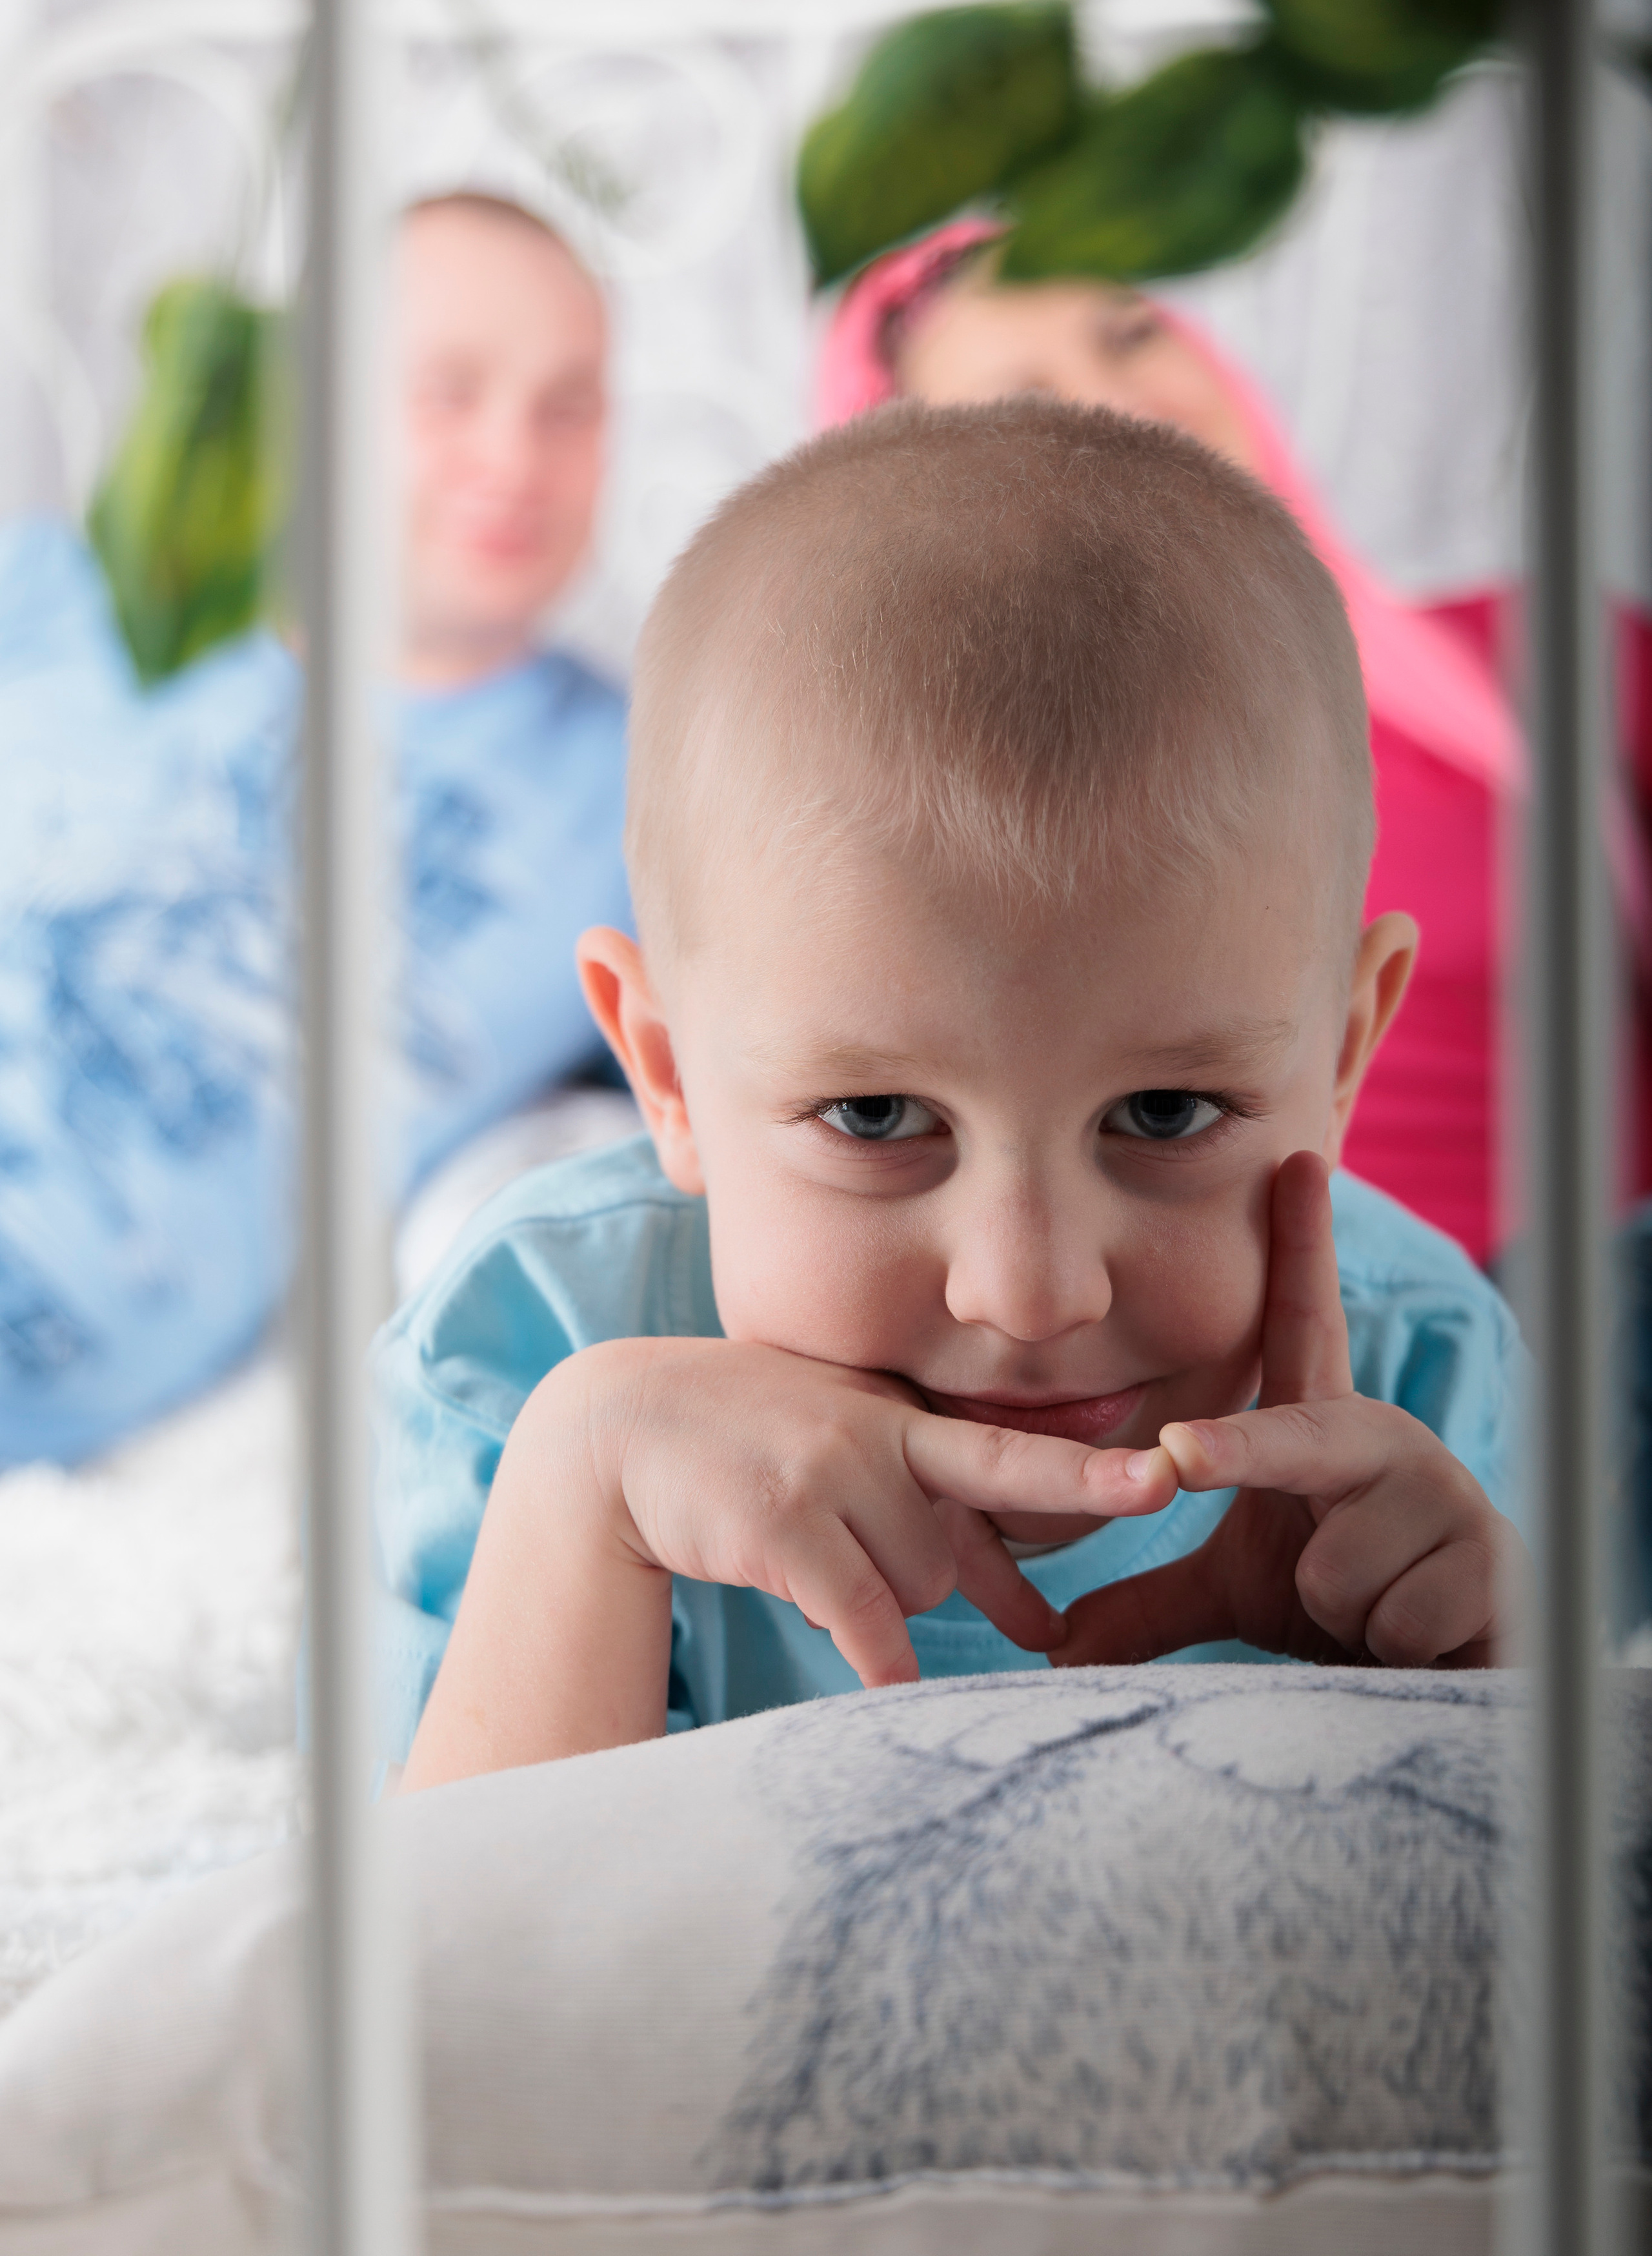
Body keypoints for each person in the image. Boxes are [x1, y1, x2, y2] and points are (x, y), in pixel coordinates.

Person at [372, 400, 1526, 1790]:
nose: (1031, 1295)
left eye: (1161, 1115)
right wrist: (585, 1501)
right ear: (667, 1075)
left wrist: (1470, 1697)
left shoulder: (1420, 1376)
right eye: (874, 1119)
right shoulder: (525, 1351)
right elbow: (436, 1967)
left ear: (1340, 1055)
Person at [0, 191, 631, 1467]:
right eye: (447, 391)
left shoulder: (636, 791)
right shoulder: (69, 599)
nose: (514, 458)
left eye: (568, 407)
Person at [814, 221, 1526, 1268]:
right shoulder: (930, 815)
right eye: (1036, 403)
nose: (1128, 401)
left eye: (1131, 333)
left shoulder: (1543, 647)